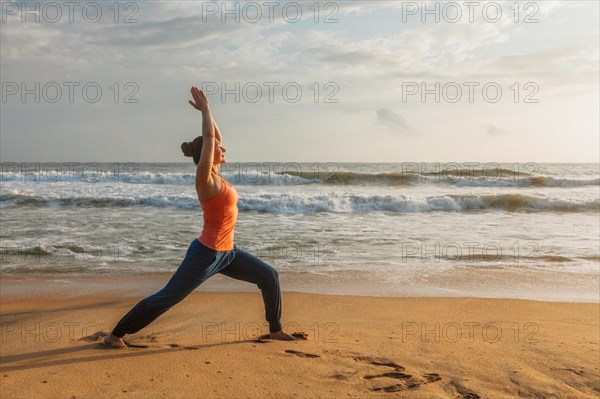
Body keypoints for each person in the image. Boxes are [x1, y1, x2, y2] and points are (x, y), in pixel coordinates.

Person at [103, 86, 296, 347]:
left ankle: (275, 329)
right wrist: (204, 111)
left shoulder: (216, 173)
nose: (224, 147)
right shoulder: (205, 180)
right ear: (208, 153)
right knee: (169, 296)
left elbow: (214, 135)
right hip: (205, 254)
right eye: (218, 147)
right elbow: (209, 136)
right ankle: (116, 334)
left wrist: (210, 111)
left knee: (269, 276)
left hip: (229, 253)